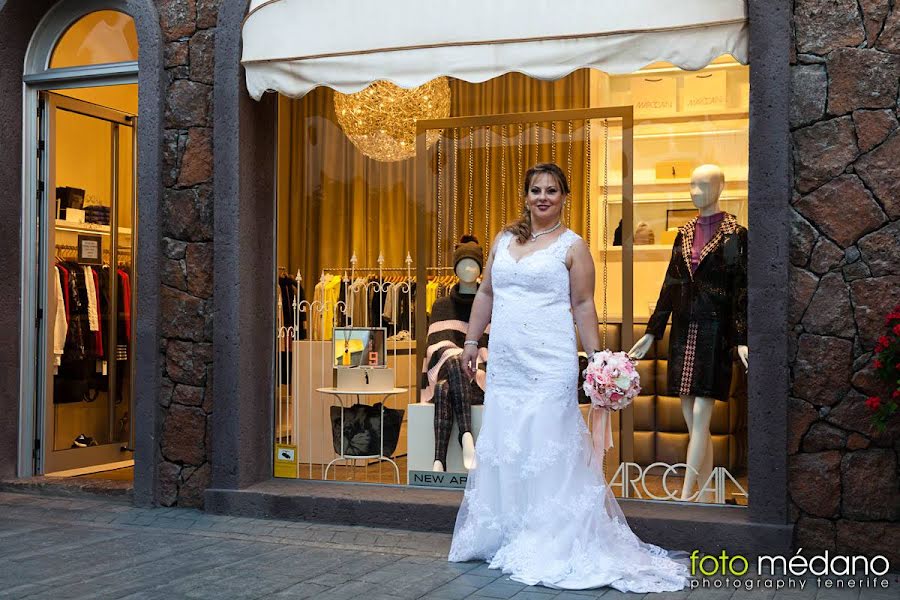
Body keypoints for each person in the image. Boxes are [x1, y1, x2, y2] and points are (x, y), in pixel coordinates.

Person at [450, 163, 689, 592]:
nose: (543, 197)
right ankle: (507, 530)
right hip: (507, 360)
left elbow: (582, 304)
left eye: (553, 191)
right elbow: (486, 293)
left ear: (564, 198)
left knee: (546, 440)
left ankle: (550, 534)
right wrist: (470, 342)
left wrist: (597, 358)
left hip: (549, 361)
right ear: (525, 196)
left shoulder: (574, 246)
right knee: (507, 440)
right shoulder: (504, 241)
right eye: (536, 190)